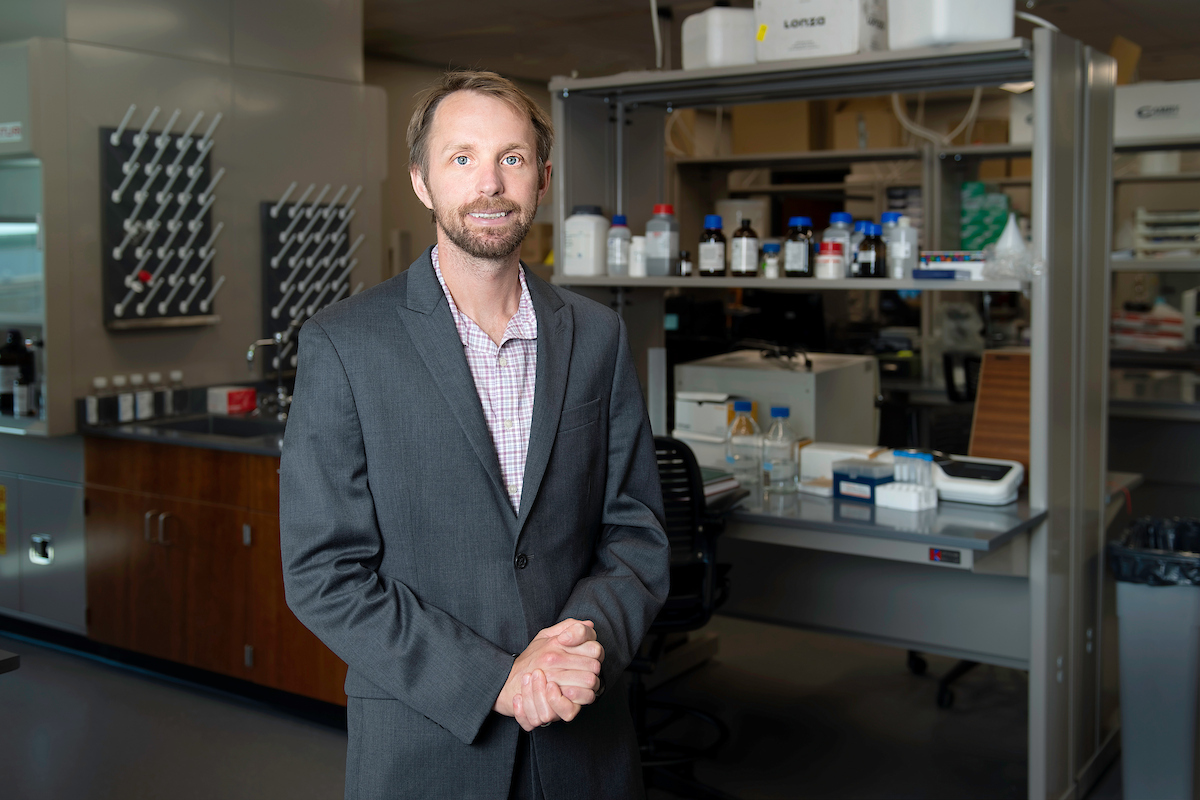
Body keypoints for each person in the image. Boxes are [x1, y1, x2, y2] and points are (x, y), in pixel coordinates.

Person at [279, 70, 670, 800]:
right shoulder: (344, 344)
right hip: (427, 745)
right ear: (422, 182)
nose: (489, 184)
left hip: (580, 740)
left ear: (543, 179)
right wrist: (497, 679)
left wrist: (582, 644)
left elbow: (636, 531)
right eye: (462, 158)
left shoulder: (597, 336)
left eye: (511, 159)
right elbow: (322, 572)